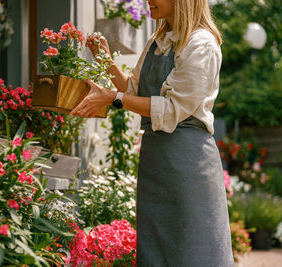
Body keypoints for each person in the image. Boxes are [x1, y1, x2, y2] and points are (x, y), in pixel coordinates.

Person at [70, 0, 234, 266]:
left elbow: (171, 109)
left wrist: (112, 97)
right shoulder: (158, 42)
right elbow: (134, 91)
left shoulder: (201, 45)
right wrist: (106, 59)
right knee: (155, 250)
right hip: (156, 160)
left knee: (192, 249)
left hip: (187, 164)